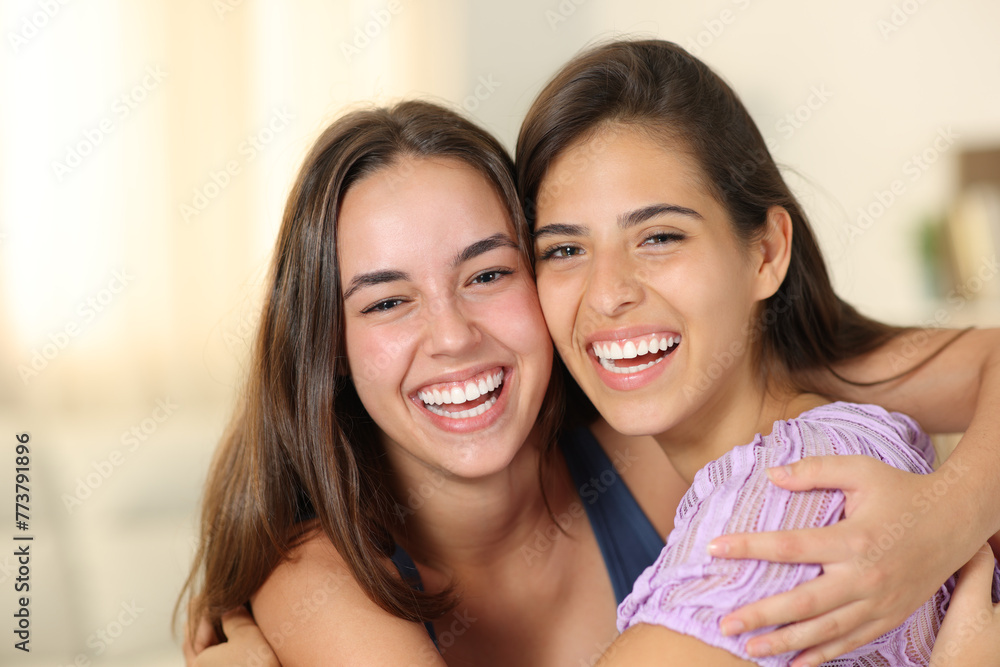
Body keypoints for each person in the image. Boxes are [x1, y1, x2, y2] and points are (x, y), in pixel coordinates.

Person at [181, 80, 1000, 667]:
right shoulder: (317, 581)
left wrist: (949, 515)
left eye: (489, 273)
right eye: (388, 301)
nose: (453, 337)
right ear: (329, 346)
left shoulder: (672, 437)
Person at [515, 38, 1000, 666]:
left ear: (767, 253)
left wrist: (951, 513)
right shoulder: (816, 418)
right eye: (564, 250)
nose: (608, 295)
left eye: (660, 237)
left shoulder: (792, 496)